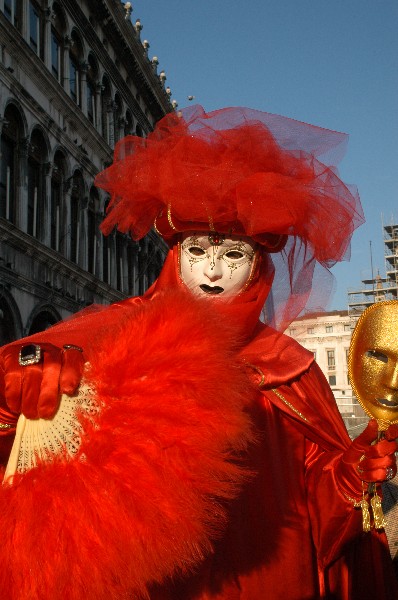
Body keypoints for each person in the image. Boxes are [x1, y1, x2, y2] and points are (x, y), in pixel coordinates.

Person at [0, 105, 397, 600]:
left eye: (232, 254)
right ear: (175, 257)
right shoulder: (121, 330)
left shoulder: (289, 368)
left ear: (257, 267)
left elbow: (316, 506)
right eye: (197, 252)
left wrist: (346, 478)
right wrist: (23, 383)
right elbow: (21, 411)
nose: (211, 272)